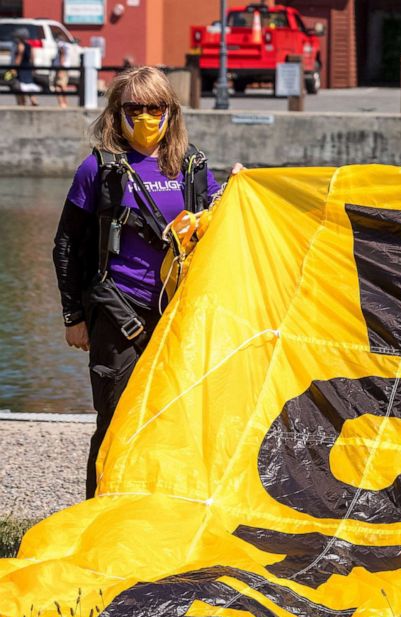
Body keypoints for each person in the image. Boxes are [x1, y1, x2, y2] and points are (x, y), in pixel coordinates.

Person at [52, 66, 240, 498]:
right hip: (119, 315)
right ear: (116, 113)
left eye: (155, 107)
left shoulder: (190, 165)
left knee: (177, 420)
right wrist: (73, 315)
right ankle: (98, 516)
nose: (145, 117)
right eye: (134, 108)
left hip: (179, 314)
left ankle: (155, 516)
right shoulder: (98, 169)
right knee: (116, 420)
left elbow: (220, 219)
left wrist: (239, 189)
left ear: (171, 112)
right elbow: (66, 245)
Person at [12, 27, 40, 106]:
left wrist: (14, 69)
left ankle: (22, 103)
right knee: (29, 84)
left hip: (21, 69)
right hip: (28, 68)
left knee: (20, 87)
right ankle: (33, 100)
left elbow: (18, 59)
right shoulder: (29, 46)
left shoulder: (20, 45)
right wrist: (33, 68)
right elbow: (32, 57)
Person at [52, 34, 70, 108]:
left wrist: (60, 69)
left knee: (60, 86)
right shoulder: (66, 45)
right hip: (62, 68)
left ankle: (63, 103)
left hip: (61, 68)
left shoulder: (61, 45)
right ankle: (63, 103)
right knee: (61, 86)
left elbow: (62, 55)